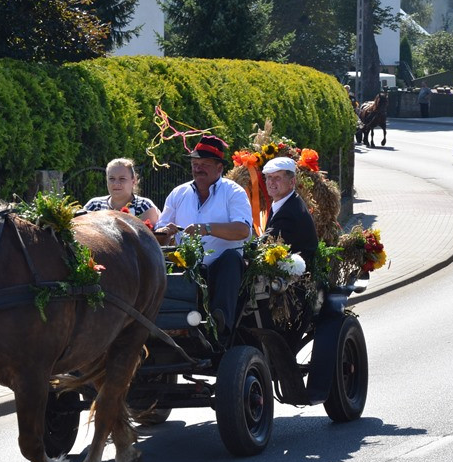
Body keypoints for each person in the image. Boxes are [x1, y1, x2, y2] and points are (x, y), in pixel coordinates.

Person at [155, 135, 252, 330]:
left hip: (219, 270)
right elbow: (158, 234)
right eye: (195, 163)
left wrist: (207, 229)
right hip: (185, 266)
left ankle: (220, 325)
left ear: (219, 168)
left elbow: (243, 230)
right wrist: (165, 232)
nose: (198, 168)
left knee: (232, 259)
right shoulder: (178, 193)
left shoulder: (234, 192)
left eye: (204, 164)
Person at [262, 157, 318, 267]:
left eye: (277, 177)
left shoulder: (288, 213)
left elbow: (265, 245)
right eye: (269, 177)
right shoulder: (289, 202)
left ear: (292, 182)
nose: (271, 182)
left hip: (295, 279)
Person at [83, 157, 160, 226]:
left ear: (133, 181)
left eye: (122, 179)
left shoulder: (144, 206)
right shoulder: (94, 205)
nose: (116, 183)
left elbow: (147, 239)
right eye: (112, 179)